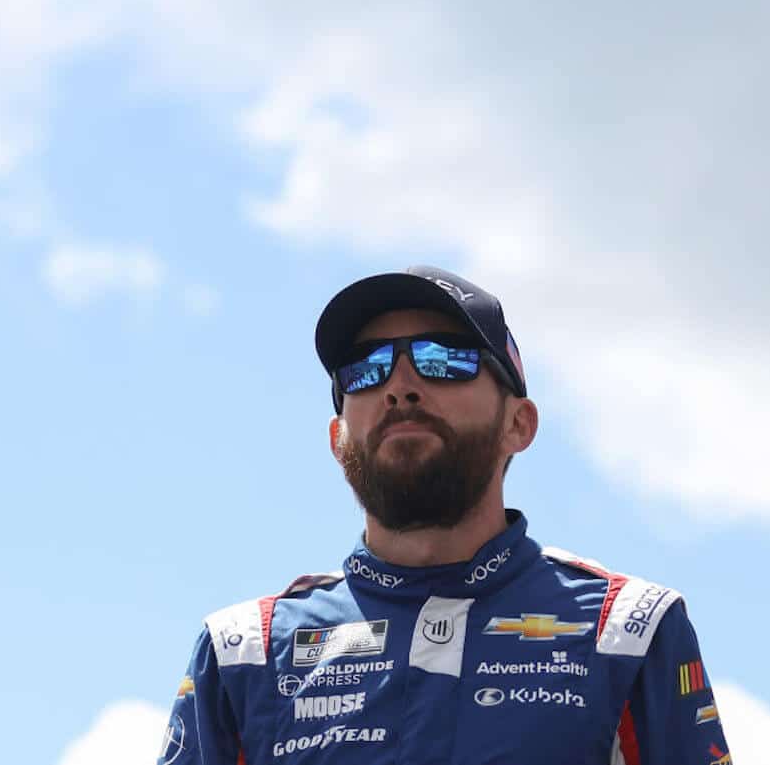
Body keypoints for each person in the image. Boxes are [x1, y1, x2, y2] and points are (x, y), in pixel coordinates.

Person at [158, 266, 732, 765]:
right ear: (338, 439)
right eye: (365, 369)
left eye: (444, 360)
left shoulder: (627, 630)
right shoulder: (243, 650)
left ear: (519, 424)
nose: (400, 386)